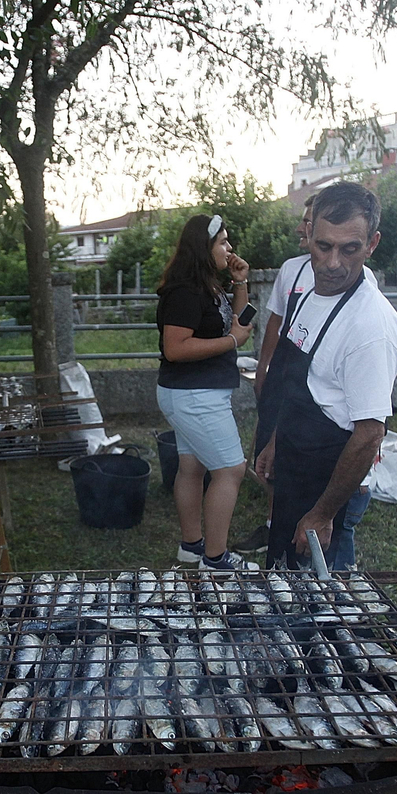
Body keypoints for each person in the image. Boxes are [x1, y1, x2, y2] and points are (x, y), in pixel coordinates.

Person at [253, 181, 397, 570]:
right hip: (294, 465)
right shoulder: (307, 296)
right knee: (282, 579)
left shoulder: (371, 325)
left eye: (349, 249)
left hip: (328, 481)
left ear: (372, 244)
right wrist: (276, 441)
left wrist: (323, 514)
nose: (333, 263)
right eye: (323, 246)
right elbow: (301, 386)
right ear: (308, 234)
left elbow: (369, 434)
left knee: (319, 595)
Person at [154, 213, 254, 571]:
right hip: (195, 394)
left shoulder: (208, 285)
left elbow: (237, 324)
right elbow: (175, 348)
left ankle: (192, 546)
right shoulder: (185, 291)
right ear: (203, 246)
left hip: (194, 392)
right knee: (231, 470)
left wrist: (240, 283)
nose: (230, 247)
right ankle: (215, 559)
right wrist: (232, 342)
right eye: (223, 242)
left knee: (192, 466)